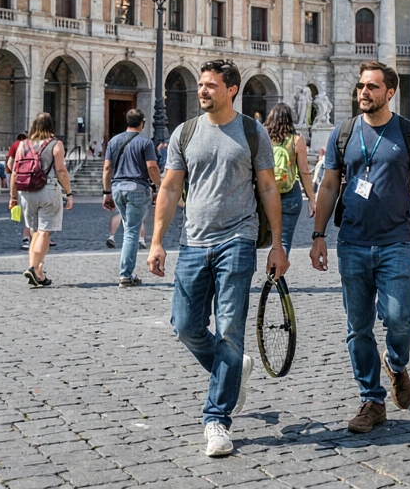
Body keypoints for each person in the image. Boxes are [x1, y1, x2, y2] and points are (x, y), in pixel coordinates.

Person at [147, 60, 285, 457]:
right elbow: (170, 189)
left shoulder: (251, 132)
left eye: (210, 85)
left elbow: (268, 188)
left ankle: (217, 420)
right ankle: (233, 370)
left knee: (229, 329)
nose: (202, 90)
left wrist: (277, 245)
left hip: (237, 241)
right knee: (185, 326)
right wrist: (157, 241)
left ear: (232, 90)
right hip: (192, 241)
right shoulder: (185, 132)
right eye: (201, 85)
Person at [310, 61, 410, 435]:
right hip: (351, 241)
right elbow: (330, 185)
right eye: (361, 86)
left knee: (399, 317)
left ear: (390, 92)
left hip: (396, 241)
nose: (363, 92)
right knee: (357, 326)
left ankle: (395, 363)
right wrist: (318, 235)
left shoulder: (408, 133)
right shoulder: (344, 133)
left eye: (372, 87)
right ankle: (372, 399)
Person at [10, 113, 73, 287]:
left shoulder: (23, 144)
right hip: (48, 189)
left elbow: (14, 172)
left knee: (34, 231)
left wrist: (13, 197)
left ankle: (38, 272)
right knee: (45, 232)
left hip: (26, 191)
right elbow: (60, 170)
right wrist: (69, 193)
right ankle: (33, 266)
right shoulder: (55, 144)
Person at [101, 108, 161, 286]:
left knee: (129, 229)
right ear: (142, 122)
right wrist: (158, 187)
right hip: (137, 188)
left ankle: (128, 272)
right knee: (132, 232)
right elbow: (152, 167)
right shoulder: (145, 142)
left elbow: (106, 169)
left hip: (118, 188)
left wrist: (106, 192)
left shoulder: (113, 141)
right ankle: (126, 274)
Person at [263, 103, 318, 254]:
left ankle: (272, 274)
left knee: (261, 237)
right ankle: (275, 275)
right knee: (284, 239)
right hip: (290, 193)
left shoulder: (263, 139)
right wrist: (312, 199)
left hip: (266, 192)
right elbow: (304, 171)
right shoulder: (296, 141)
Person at [6, 132, 30, 249]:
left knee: (27, 212)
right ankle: (42, 237)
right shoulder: (44, 145)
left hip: (22, 181)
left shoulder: (18, 145)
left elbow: (10, 164)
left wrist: (13, 196)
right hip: (39, 182)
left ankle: (27, 238)